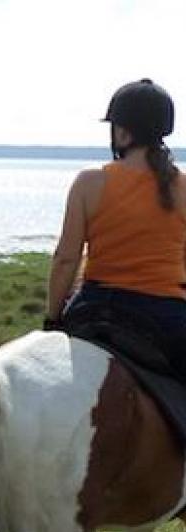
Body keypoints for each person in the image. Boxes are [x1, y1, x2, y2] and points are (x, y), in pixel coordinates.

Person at [46, 78, 186, 377]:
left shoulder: (89, 182)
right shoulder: (183, 188)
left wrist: (52, 318)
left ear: (121, 131)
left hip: (95, 306)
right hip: (165, 314)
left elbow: (66, 259)